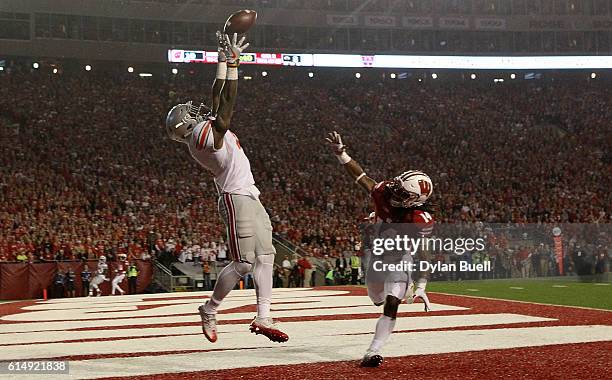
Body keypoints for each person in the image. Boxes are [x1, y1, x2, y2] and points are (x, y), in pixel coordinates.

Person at [165, 32, 287, 343]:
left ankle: (263, 315)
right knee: (244, 262)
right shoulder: (202, 138)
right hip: (234, 197)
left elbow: (218, 98)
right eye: (191, 113)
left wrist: (222, 60)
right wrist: (233, 65)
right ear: (187, 124)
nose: (197, 110)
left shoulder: (201, 131)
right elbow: (226, 106)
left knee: (266, 256)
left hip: (250, 194)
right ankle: (209, 308)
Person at [326, 131, 435, 367]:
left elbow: (425, 252)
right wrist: (341, 154)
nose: (395, 192)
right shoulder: (386, 192)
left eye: (403, 193)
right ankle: (402, 291)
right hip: (378, 257)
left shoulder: (419, 218)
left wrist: (424, 283)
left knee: (390, 302)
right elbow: (362, 178)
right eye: (398, 187)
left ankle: (373, 351)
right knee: (376, 299)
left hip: (399, 260)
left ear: (414, 201)